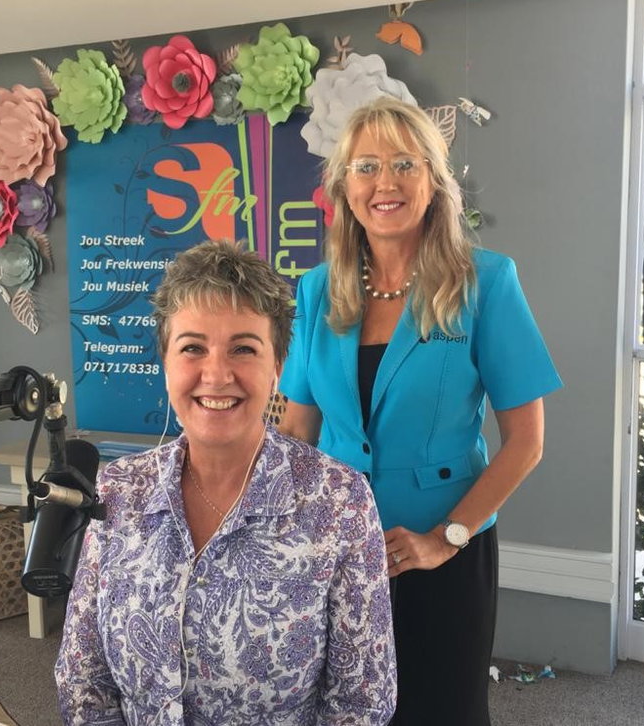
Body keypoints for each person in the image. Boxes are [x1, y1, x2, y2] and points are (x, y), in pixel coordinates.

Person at [278, 97, 563, 726]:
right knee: (338, 707)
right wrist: (283, 534)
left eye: (405, 164)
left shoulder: (486, 282)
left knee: (440, 709)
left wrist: (446, 538)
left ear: (433, 182)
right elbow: (296, 430)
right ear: (344, 189)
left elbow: (526, 441)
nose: (386, 182)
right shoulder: (316, 290)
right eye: (366, 166)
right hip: (336, 551)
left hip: (444, 552)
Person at [55, 240, 397, 725]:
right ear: (166, 362)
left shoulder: (339, 501)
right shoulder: (118, 490)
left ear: (277, 367)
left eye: (243, 348)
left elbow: (362, 702)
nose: (216, 374)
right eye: (193, 348)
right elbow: (82, 680)